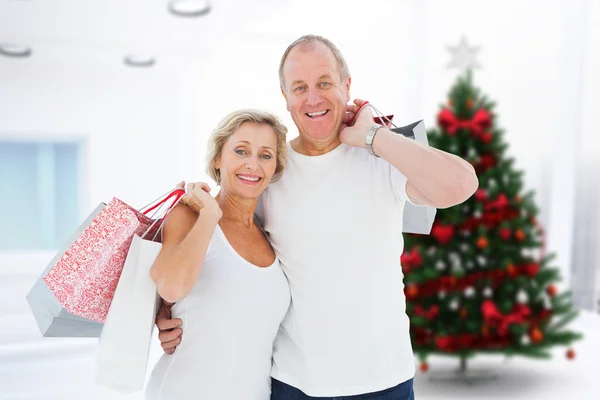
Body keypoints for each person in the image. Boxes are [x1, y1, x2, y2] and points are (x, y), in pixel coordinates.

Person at [158, 35, 479, 400]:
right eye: (300, 87)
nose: (313, 98)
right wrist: (168, 309)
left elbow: (462, 185)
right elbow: (221, 245)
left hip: (385, 380)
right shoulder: (271, 170)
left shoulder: (382, 158)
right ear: (286, 98)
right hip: (296, 384)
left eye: (324, 83)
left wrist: (374, 136)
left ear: (347, 85)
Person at [145, 109, 291, 400]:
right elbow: (171, 286)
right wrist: (210, 214)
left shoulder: (270, 234)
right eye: (241, 151)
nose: (253, 164)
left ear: (275, 166)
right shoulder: (191, 214)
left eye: (265, 155)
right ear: (217, 158)